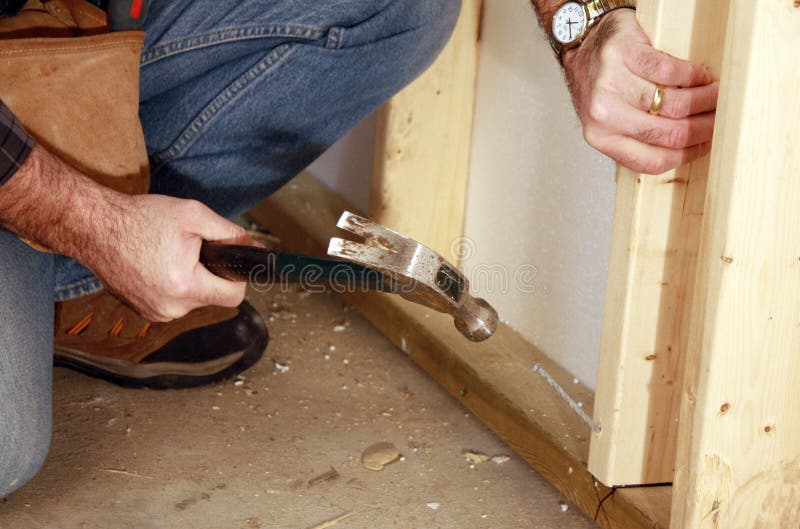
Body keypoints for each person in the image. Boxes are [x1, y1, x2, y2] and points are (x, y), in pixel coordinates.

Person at [0, 0, 717, 499]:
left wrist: (586, 30)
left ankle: (73, 274)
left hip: (58, 25)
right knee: (7, 445)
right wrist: (91, 221)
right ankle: (74, 256)